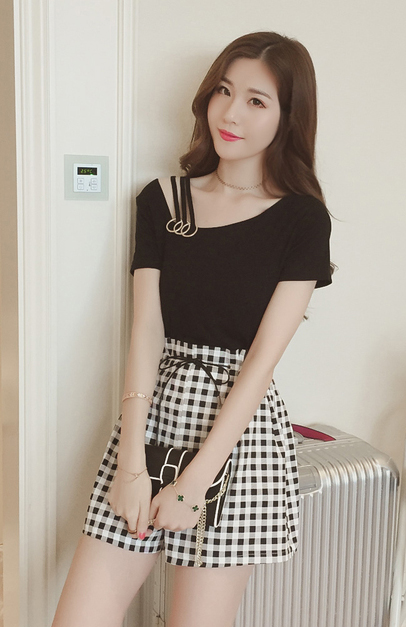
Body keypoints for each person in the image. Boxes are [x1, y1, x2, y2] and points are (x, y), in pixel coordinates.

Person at [52, 31, 332, 627]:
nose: (230, 113)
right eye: (224, 91)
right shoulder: (164, 201)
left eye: (256, 101)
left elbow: (261, 362)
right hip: (153, 416)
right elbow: (146, 331)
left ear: (287, 117)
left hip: (237, 437)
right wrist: (132, 463)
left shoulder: (302, 220)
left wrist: (195, 481)